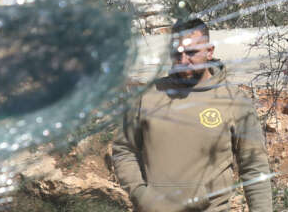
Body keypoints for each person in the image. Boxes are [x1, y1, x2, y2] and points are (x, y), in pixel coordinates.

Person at [111, 17, 273, 212]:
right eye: (176, 54)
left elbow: (254, 166)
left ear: (209, 51)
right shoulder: (147, 96)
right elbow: (124, 150)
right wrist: (140, 194)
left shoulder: (235, 102)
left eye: (191, 53)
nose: (183, 62)